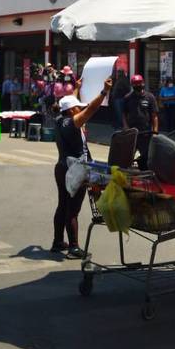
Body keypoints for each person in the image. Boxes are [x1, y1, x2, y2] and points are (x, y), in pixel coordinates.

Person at [52, 78, 112, 258]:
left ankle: (57, 242)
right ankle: (74, 247)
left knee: (62, 205)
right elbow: (90, 110)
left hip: (61, 167)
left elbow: (70, 104)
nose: (80, 109)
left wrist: (76, 89)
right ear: (72, 111)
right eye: (77, 107)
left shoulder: (59, 119)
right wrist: (104, 92)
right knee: (73, 209)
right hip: (75, 169)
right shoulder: (72, 123)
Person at [124, 74, 159, 169]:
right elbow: (124, 114)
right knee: (127, 156)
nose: (138, 86)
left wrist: (155, 131)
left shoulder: (150, 97)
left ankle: (144, 173)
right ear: (132, 85)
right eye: (135, 84)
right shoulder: (128, 98)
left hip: (146, 133)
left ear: (143, 83)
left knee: (146, 157)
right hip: (132, 133)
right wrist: (126, 126)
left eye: (139, 83)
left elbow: (154, 115)